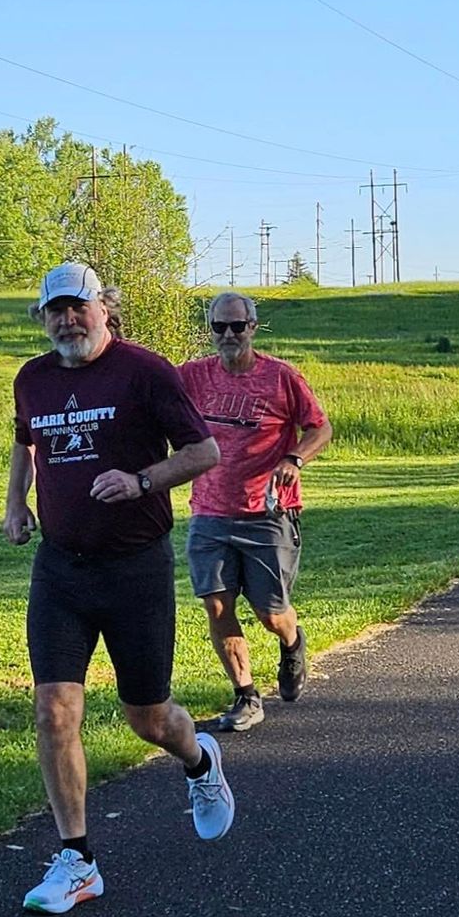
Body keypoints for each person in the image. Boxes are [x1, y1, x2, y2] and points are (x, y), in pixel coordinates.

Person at [5, 262, 233, 915]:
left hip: (135, 566)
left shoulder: (144, 371)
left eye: (79, 307)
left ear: (105, 308)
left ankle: (198, 761)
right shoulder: (33, 379)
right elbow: (26, 442)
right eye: (55, 311)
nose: (67, 320)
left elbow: (203, 453)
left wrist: (139, 481)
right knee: (53, 710)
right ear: (42, 317)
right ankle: (78, 860)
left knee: (149, 717)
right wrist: (16, 503)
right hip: (61, 567)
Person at [178, 291, 332, 732]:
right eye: (219, 327)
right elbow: (148, 385)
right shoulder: (193, 376)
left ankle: (291, 640)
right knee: (215, 604)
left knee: (270, 612)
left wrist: (294, 458)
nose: (228, 335)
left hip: (268, 512)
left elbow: (321, 427)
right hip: (209, 511)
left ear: (253, 327)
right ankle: (246, 695)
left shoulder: (281, 377)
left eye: (237, 326)